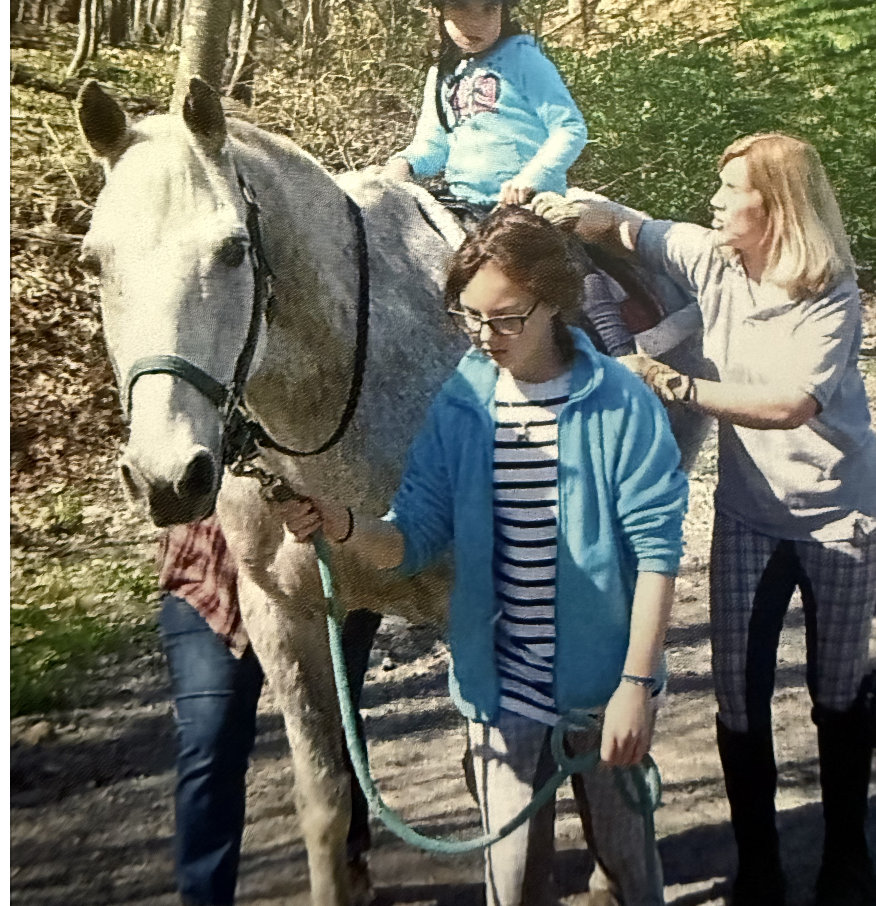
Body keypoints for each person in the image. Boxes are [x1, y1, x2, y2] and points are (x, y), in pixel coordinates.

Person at [283, 208, 688, 906]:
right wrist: (344, 525)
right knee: (510, 886)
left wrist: (635, 684)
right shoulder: (463, 401)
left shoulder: (620, 402)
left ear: (555, 302)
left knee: (631, 878)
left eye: (506, 318)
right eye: (469, 317)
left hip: (603, 690)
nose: (485, 336)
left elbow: (657, 552)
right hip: (500, 695)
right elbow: (413, 538)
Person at [539, 133, 876, 906]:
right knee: (737, 692)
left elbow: (791, 405)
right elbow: (629, 226)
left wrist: (669, 382)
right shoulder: (712, 258)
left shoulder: (830, 291)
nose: (715, 203)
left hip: (837, 517)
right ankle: (758, 860)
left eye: (732, 192)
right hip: (749, 516)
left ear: (778, 207)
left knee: (834, 692)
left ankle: (848, 854)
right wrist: (577, 207)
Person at [156, 517, 380, 906]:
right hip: (211, 575)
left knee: (331, 726)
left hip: (323, 575)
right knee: (210, 741)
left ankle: (345, 863)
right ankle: (205, 897)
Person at [383, 0, 588, 226]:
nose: (475, 22)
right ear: (437, 11)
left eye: (489, 8)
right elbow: (433, 145)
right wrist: (404, 163)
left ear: (504, 10)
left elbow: (569, 128)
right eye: (460, 6)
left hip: (528, 207)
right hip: (464, 206)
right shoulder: (442, 73)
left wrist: (530, 178)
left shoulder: (524, 59)